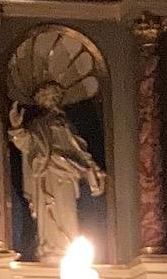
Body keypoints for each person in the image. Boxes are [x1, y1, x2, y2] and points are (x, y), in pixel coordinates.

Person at [9, 82, 106, 261]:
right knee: (48, 213)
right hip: (45, 174)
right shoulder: (37, 125)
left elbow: (79, 150)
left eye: (53, 97)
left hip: (67, 173)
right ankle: (49, 248)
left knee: (67, 213)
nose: (50, 101)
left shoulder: (66, 125)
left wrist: (93, 169)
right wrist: (17, 129)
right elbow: (27, 143)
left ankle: (67, 250)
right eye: (46, 98)